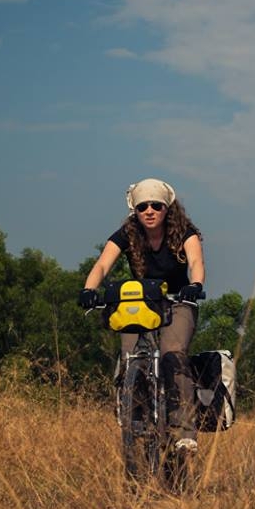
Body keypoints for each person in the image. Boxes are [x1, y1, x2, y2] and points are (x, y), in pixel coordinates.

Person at [78, 178, 205, 453]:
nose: (149, 211)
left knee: (173, 353)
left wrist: (195, 286)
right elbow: (102, 264)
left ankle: (185, 430)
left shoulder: (184, 231)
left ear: (167, 209)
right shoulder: (128, 232)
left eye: (156, 206)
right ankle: (132, 414)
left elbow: (195, 262)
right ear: (134, 210)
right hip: (141, 302)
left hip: (177, 301)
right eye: (142, 206)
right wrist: (89, 289)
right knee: (130, 356)